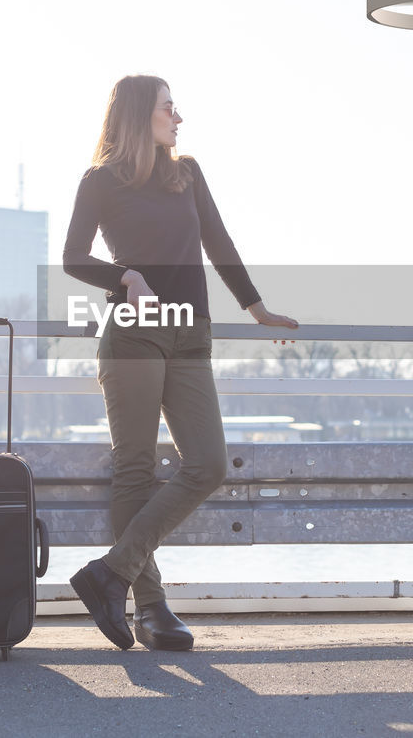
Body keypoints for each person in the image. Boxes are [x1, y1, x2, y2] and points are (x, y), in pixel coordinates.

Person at [63, 74, 298, 651]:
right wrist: (124, 276)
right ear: (143, 113)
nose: (179, 117)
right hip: (135, 334)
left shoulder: (186, 173)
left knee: (209, 463)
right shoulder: (101, 180)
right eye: (170, 107)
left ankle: (109, 574)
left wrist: (257, 308)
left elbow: (219, 243)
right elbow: (72, 257)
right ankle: (150, 607)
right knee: (135, 468)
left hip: (191, 335)